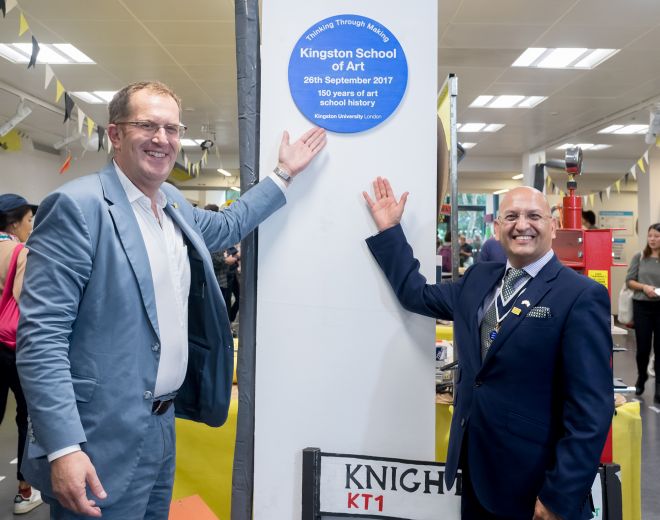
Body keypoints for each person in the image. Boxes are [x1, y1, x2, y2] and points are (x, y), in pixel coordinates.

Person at [16, 81, 326, 519]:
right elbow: (41, 341)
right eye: (147, 125)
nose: (162, 139)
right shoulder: (77, 207)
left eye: (172, 128)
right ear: (115, 135)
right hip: (98, 436)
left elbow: (228, 225)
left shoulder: (171, 203)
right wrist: (63, 447)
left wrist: (284, 174)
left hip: (162, 425)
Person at [363, 178, 613, 520]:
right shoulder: (480, 278)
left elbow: (590, 411)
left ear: (552, 226)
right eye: (511, 216)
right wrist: (390, 229)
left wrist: (560, 496)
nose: (521, 225)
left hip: (535, 484)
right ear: (497, 228)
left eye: (533, 216)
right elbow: (416, 294)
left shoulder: (580, 296)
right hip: (477, 471)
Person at [0, 194, 44, 515]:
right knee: (26, 416)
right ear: (14, 223)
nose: (32, 226)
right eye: (29, 220)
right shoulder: (19, 252)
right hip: (11, 348)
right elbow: (26, 302)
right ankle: (24, 491)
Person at [625, 222, 660, 400]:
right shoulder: (639, 257)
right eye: (650, 236)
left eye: (657, 236)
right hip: (642, 306)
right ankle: (641, 377)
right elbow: (629, 281)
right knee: (643, 347)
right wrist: (645, 287)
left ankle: (659, 387)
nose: (652, 239)